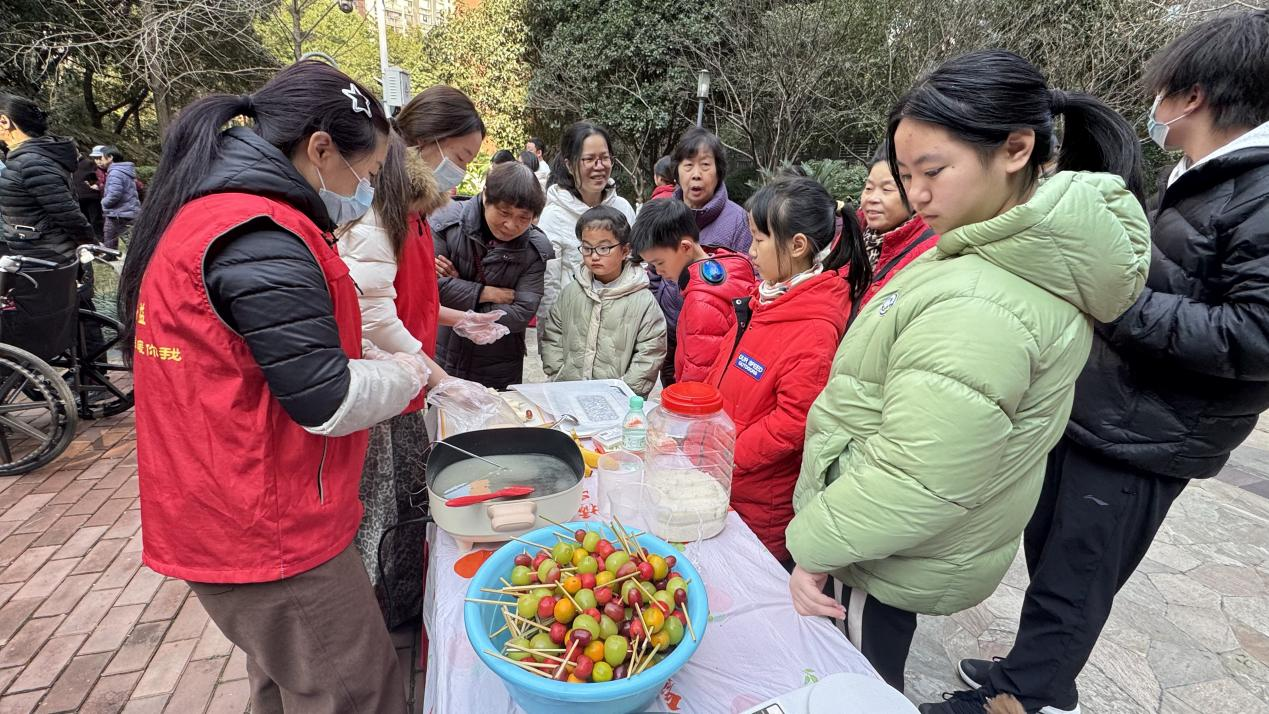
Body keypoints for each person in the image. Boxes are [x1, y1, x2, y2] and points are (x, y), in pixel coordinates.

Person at [782, 49, 1151, 695]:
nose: (916, 194)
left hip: (874, 546)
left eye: (932, 171)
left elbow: (917, 475)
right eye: (905, 175)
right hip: (884, 537)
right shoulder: (987, 246)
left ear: (1015, 149)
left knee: (849, 685)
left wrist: (813, 546)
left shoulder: (985, 300)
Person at [940, 12, 1269, 714]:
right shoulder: (1201, 176)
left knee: (1076, 577)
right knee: (1052, 555)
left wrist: (1113, 304)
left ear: (1192, 95)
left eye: (1162, 90)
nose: (1153, 105)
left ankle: (1028, 696)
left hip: (1147, 435)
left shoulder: (1259, 192)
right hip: (1105, 410)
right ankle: (1029, 667)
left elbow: (1255, 336)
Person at [119, 61, 434, 713]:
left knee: (290, 683)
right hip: (267, 528)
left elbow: (275, 355)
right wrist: (411, 374)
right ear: (320, 149)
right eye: (369, 172)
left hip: (236, 512)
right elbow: (327, 398)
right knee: (358, 692)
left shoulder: (228, 217)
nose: (368, 190)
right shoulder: (260, 235)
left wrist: (370, 355)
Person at [707, 177, 870, 565]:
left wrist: (727, 452)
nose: (750, 251)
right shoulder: (770, 297)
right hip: (726, 477)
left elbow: (794, 421)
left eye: (759, 239)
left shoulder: (814, 325)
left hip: (758, 503)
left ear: (797, 245)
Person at [649, 127, 754, 387]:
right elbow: (652, 272)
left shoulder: (738, 220)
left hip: (713, 342)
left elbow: (749, 283)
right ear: (677, 171)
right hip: (669, 331)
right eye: (688, 165)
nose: (696, 174)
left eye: (705, 165)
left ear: (718, 171)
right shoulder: (663, 214)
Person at [433, 161, 550, 390]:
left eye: (523, 218)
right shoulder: (446, 223)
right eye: (504, 212)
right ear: (486, 196)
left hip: (499, 363)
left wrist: (457, 285)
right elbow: (431, 291)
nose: (511, 225)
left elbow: (521, 313)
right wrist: (485, 293)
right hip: (444, 352)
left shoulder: (535, 248)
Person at [540, 205, 666, 396]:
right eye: (587, 248)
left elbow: (650, 352)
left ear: (625, 250)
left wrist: (624, 392)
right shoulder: (571, 292)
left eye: (604, 248)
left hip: (619, 400)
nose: (594, 256)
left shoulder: (642, 300)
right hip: (569, 392)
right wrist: (559, 374)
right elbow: (552, 334)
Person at [631, 198, 755, 384]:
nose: (658, 271)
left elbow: (698, 372)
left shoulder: (701, 301)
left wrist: (683, 397)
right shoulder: (722, 263)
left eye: (659, 263)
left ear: (685, 247)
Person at [535, 122, 636, 339]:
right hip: (573, 332)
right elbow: (548, 285)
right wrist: (550, 341)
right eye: (589, 159)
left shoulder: (623, 208)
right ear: (570, 165)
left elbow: (634, 268)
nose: (599, 166)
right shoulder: (553, 216)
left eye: (605, 158)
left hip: (618, 331)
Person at [0, 94, 95, 262]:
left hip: (47, 257)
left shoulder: (31, 163)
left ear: (4, 121)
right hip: (36, 254)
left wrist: (90, 244)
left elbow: (67, 214)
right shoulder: (28, 158)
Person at [857, 142, 939, 306]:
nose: (872, 198)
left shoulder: (930, 252)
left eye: (887, 189)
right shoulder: (853, 230)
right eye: (869, 188)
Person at [97, 145, 140, 249]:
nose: (100, 161)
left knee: (116, 243)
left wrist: (103, 202)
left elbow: (114, 194)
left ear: (110, 157)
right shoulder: (122, 171)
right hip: (124, 212)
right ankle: (114, 254)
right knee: (119, 239)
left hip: (119, 214)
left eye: (101, 157)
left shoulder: (115, 173)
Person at [74, 148, 104, 241]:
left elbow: (98, 177)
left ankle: (100, 240)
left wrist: (94, 185)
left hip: (92, 197)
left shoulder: (90, 163)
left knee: (96, 221)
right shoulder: (70, 164)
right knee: (84, 221)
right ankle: (88, 240)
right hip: (78, 198)